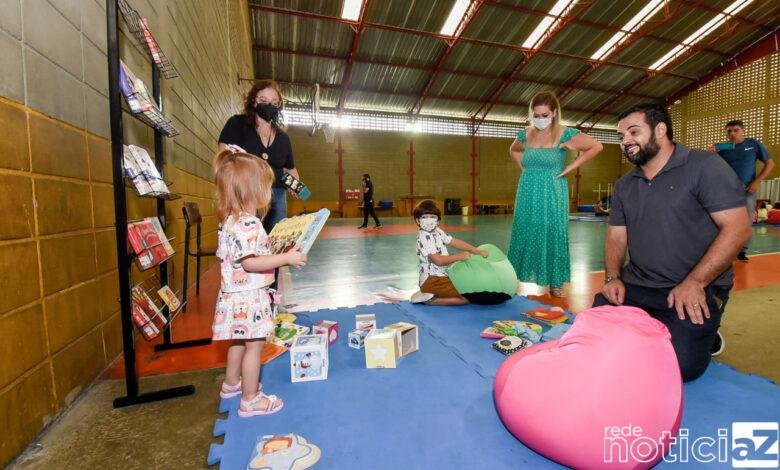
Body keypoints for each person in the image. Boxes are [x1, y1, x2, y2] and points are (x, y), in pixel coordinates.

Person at [595, 103, 751, 382]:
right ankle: (657, 327)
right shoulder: (624, 185)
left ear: (660, 129)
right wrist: (612, 277)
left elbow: (738, 229)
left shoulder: (705, 166)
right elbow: (616, 236)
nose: (626, 141)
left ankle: (706, 333)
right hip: (638, 284)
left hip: (693, 287)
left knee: (678, 368)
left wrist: (696, 282)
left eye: (633, 131)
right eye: (621, 136)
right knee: (594, 339)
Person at [212, 148, 307, 417]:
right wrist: (286, 257)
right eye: (265, 186)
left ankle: (231, 384)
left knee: (238, 342)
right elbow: (251, 262)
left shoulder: (229, 221)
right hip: (249, 297)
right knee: (254, 346)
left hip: (233, 295)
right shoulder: (250, 224)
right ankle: (250, 400)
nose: (268, 192)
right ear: (253, 190)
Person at [507, 91, 603, 297]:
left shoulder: (565, 133)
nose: (540, 119)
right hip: (527, 189)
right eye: (536, 115)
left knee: (553, 232)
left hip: (552, 190)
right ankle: (513, 277)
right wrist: (523, 168)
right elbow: (514, 150)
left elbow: (596, 146)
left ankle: (555, 282)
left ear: (554, 113)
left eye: (544, 115)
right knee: (524, 230)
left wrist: (571, 167)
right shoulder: (525, 134)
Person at [218, 79, 301, 234]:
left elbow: (289, 169)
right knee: (248, 238)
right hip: (245, 193)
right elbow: (223, 159)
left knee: (276, 239)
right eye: (264, 100)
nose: (269, 105)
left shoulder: (284, 138)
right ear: (253, 101)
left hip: (277, 194)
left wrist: (296, 186)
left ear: (279, 106)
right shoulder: (237, 124)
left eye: (274, 102)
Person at [709, 120, 774, 261]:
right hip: (726, 191)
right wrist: (712, 155)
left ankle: (742, 251)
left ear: (743, 130)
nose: (732, 134)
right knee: (723, 220)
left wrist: (757, 181)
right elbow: (713, 168)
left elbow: (770, 163)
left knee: (747, 221)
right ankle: (722, 249)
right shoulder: (722, 148)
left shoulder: (753, 144)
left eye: (736, 130)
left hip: (747, 191)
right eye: (729, 131)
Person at [411, 200, 488, 306]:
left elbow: (454, 242)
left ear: (438, 221)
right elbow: (438, 260)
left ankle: (432, 294)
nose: (429, 220)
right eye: (424, 217)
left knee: (470, 287)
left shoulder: (437, 231)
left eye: (432, 216)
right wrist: (460, 256)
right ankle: (429, 300)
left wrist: (476, 251)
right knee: (468, 297)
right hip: (431, 280)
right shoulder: (424, 237)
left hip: (443, 276)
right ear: (417, 220)